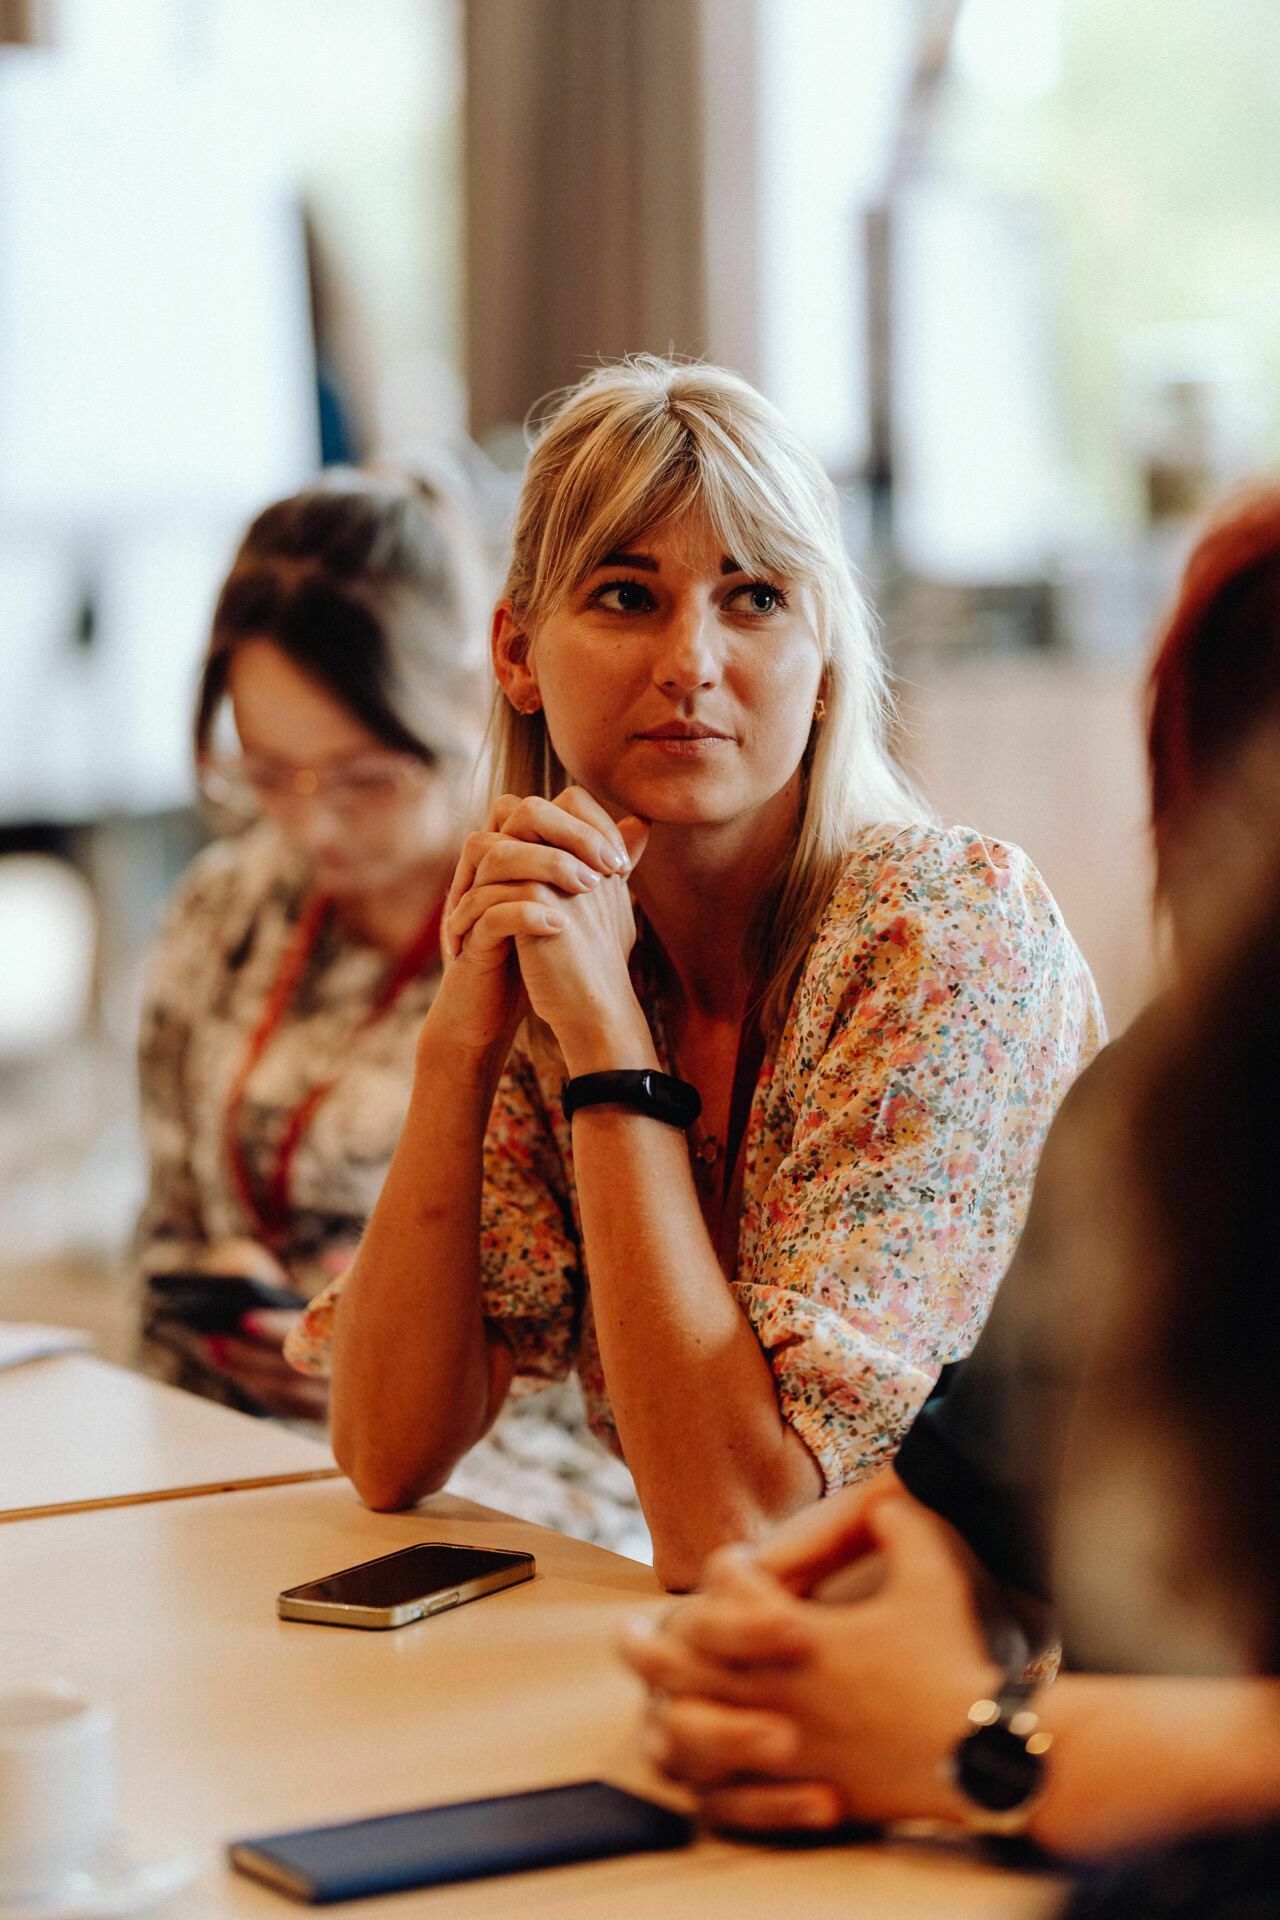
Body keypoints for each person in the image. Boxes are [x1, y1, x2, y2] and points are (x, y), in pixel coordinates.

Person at [287, 355, 1102, 1587]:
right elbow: (388, 1448)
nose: (691, 663)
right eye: (625, 595)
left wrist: (611, 1053)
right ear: (515, 653)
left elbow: (741, 1527)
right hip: (769, 1668)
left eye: (756, 598)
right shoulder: (572, 940)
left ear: (824, 665)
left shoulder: (942, 931)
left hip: (1029, 1691)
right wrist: (461, 1040)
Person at [623, 485, 1280, 1860]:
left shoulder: (943, 925)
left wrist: (980, 1743)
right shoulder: (1172, 1115)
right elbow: (970, 1504)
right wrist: (788, 1640)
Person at [134, 467, 487, 1420]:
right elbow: (164, 1227)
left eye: (365, 778)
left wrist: (382, 1357)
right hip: (227, 1428)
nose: (313, 823)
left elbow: (597, 1348)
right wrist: (222, 1284)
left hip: (471, 1457)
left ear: (471, 699)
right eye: (268, 773)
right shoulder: (228, 906)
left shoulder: (545, 927)